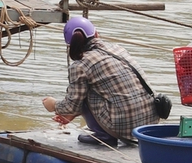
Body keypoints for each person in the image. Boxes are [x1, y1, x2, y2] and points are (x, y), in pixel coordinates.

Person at [42, 17, 161, 145]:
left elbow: (72, 105)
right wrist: (71, 114)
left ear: (70, 44)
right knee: (97, 86)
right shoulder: (118, 49)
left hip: (124, 128)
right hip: (149, 124)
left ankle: (104, 135)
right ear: (96, 34)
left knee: (84, 91)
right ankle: (105, 131)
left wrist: (53, 105)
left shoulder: (80, 65)